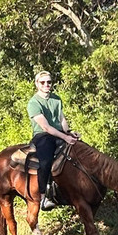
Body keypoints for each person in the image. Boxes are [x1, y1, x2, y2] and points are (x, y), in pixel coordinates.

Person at [26, 70, 78, 211]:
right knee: (46, 161)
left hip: (59, 133)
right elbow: (46, 127)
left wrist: (69, 133)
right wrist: (65, 137)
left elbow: (61, 119)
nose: (46, 84)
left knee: (78, 150)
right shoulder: (34, 103)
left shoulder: (56, 99)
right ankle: (43, 197)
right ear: (37, 84)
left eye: (49, 82)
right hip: (43, 136)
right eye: (43, 82)